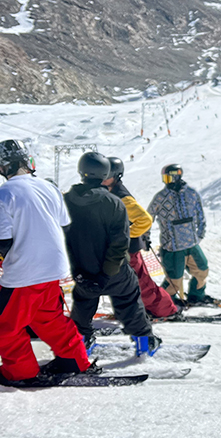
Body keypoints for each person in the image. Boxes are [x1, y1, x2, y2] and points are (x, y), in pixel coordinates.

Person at [0, 140, 92, 385]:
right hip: (53, 268)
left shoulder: (4, 193)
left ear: (3, 168)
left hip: (23, 272)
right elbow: (64, 224)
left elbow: (3, 241)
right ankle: (74, 360)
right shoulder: (48, 187)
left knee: (5, 326)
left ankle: (21, 372)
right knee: (48, 318)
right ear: (27, 162)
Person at [64, 152, 159, 352]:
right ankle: (144, 343)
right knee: (129, 298)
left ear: (82, 172)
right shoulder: (114, 202)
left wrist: (80, 271)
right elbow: (119, 243)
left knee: (83, 302)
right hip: (114, 271)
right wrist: (106, 274)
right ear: (105, 172)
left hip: (83, 270)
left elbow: (63, 235)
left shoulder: (66, 201)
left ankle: (81, 344)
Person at [102, 157, 179, 320]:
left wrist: (124, 236)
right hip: (118, 250)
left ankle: (167, 310)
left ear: (116, 176)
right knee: (122, 285)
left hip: (129, 250)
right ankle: (130, 311)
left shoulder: (122, 197)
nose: (102, 177)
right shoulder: (107, 193)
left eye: (106, 174)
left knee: (141, 284)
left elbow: (145, 220)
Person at [148, 163, 212, 305]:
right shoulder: (161, 197)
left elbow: (200, 215)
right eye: (164, 178)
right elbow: (148, 217)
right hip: (172, 246)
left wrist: (199, 234)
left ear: (177, 176)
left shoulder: (191, 194)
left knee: (202, 269)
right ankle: (165, 301)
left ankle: (197, 296)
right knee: (174, 279)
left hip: (191, 243)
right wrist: (145, 235)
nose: (165, 181)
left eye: (168, 178)